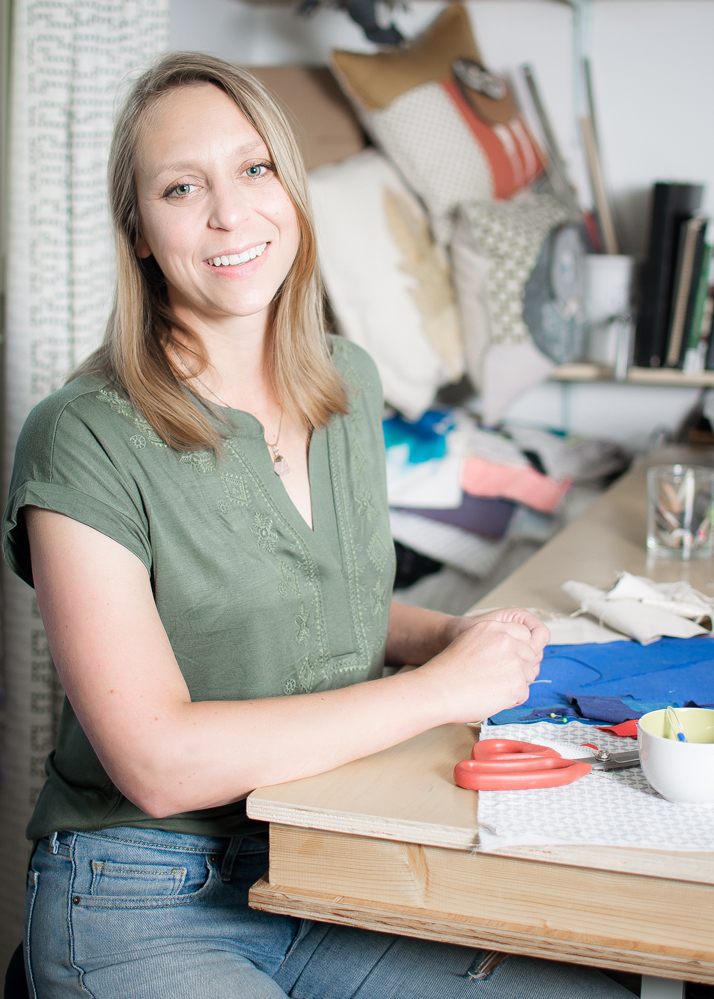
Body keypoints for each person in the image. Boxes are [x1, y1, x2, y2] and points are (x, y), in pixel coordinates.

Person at [2, 52, 631, 999]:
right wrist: (438, 690)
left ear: (290, 190)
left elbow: (327, 596)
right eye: (182, 186)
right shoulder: (82, 435)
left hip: (326, 854)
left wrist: (450, 638)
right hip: (140, 891)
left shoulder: (346, 382)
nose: (229, 213)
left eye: (254, 170)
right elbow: (159, 763)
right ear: (137, 230)